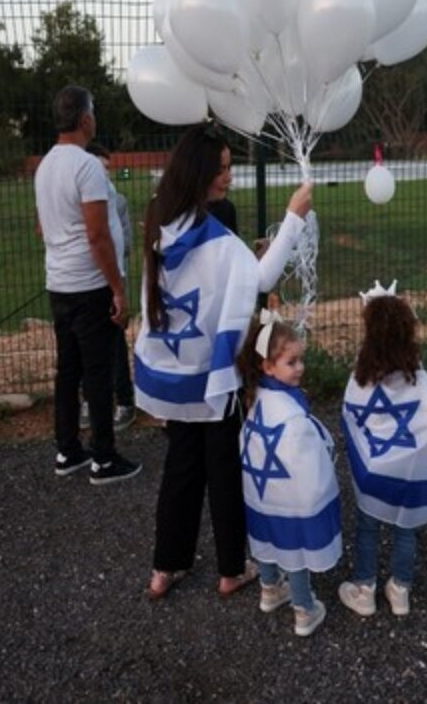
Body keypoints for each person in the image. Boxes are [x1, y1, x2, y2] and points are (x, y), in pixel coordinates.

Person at [135, 124, 312, 599]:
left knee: (181, 466)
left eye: (232, 168)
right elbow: (260, 277)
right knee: (223, 467)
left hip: (175, 372)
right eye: (223, 169)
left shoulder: (159, 220)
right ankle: (232, 568)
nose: (229, 177)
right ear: (200, 172)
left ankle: (164, 566)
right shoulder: (214, 235)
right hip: (213, 374)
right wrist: (294, 218)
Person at [33, 85, 142, 486]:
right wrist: (117, 288)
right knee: (97, 372)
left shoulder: (45, 166)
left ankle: (68, 450)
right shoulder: (87, 166)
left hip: (59, 284)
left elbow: (42, 226)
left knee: (68, 370)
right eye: (93, 111)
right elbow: (98, 235)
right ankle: (103, 458)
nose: (95, 118)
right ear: (84, 119)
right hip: (89, 285)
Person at [337, 281, 427, 619]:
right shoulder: (417, 375)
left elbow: (351, 416)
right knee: (405, 529)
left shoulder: (361, 375)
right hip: (408, 474)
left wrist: (372, 459)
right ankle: (400, 590)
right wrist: (416, 457)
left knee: (367, 527)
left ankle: (365, 588)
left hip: (375, 473)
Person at [236, 311, 339, 637]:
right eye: (291, 362)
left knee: (266, 539)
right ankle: (304, 609)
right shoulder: (290, 414)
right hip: (289, 494)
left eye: (300, 360)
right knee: (295, 551)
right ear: (268, 366)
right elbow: (306, 458)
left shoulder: (258, 400)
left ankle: (270, 589)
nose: (300, 368)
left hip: (262, 491)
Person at [78, 142, 136, 433]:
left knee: (114, 344)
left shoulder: (119, 201)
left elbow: (125, 243)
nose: (103, 174)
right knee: (86, 345)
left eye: (106, 169)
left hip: (112, 279)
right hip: (85, 283)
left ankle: (125, 401)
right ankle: (89, 400)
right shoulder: (80, 200)